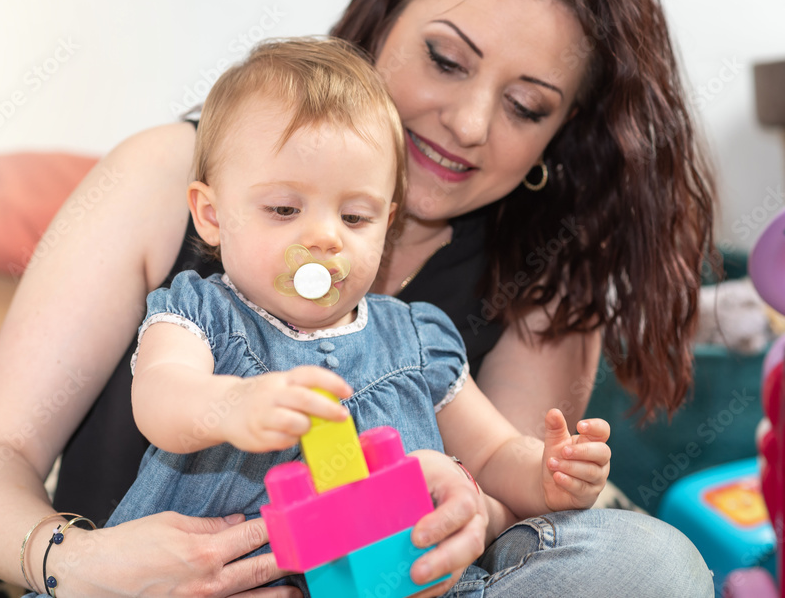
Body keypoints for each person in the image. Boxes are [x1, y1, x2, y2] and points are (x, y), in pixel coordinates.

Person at [0, 0, 717, 596]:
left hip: (376, 579)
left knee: (651, 563)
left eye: (526, 106)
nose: (472, 123)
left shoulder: (524, 281)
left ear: (561, 133)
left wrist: (472, 512)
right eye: (446, 60)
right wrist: (77, 563)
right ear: (380, 26)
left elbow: (504, 477)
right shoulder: (170, 190)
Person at [105, 37, 611, 597]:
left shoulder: (415, 341)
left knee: (625, 557)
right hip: (209, 584)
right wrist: (232, 404)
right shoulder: (200, 313)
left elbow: (492, 454)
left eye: (354, 217)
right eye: (284, 209)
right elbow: (161, 395)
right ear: (211, 214)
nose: (325, 236)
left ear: (386, 225)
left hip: (387, 583)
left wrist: (548, 474)